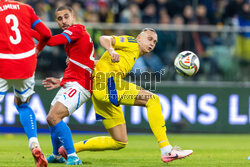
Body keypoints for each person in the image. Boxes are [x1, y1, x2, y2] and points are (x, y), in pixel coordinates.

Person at [56, 28, 193, 163]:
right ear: (139, 38)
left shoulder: (132, 55)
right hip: (107, 83)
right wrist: (111, 50)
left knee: (119, 141)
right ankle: (167, 150)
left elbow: (101, 64)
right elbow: (104, 38)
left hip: (99, 92)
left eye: (155, 42)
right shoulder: (132, 42)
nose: (152, 43)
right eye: (149, 39)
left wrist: (81, 63)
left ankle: (69, 149)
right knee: (153, 100)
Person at [37, 6, 95, 165]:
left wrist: (33, 28)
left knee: (53, 117)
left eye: (66, 17)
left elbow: (52, 41)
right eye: (59, 18)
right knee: (51, 119)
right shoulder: (74, 39)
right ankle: (56, 155)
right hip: (72, 82)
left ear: (73, 17)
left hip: (81, 84)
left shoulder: (77, 29)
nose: (63, 21)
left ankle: (73, 156)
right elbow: (79, 64)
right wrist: (61, 80)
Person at [0, 0, 51, 167]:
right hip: (26, 63)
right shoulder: (26, 9)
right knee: (22, 105)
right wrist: (39, 48)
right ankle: (35, 144)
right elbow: (46, 33)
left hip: (3, 63)